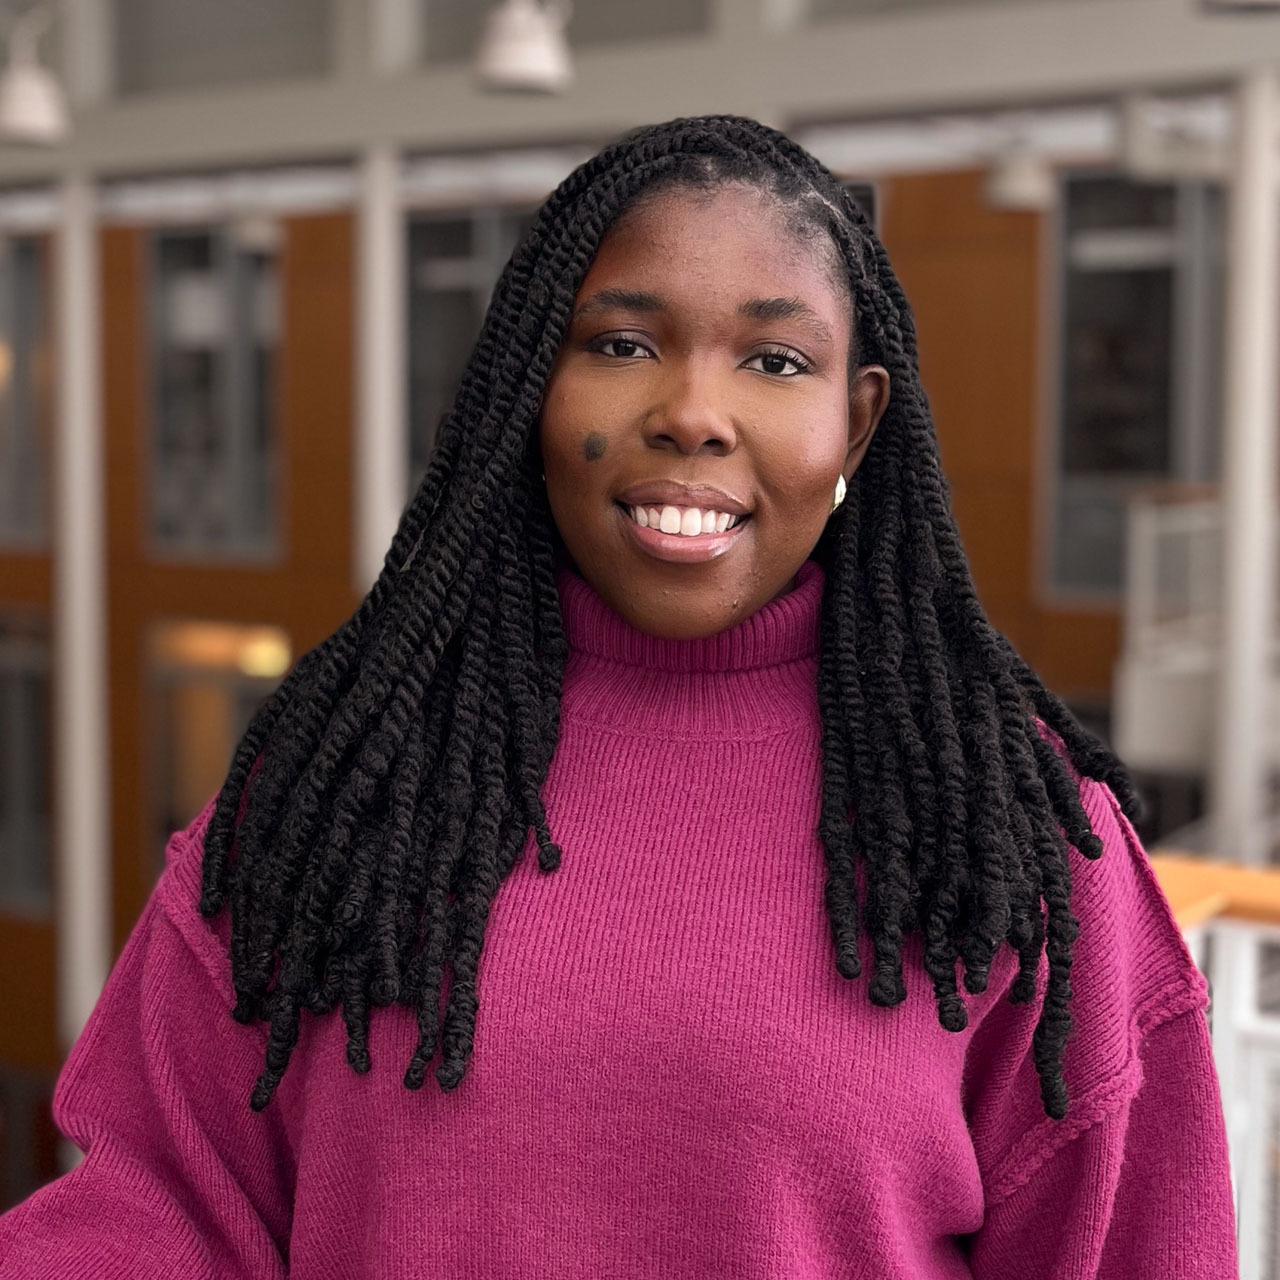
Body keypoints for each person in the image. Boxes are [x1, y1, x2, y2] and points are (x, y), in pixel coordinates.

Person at [0, 114, 1237, 1278]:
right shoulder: (335, 784)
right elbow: (156, 1213)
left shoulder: (1011, 833)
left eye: (773, 358)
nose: (691, 413)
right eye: (621, 344)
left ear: (856, 424)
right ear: (530, 387)